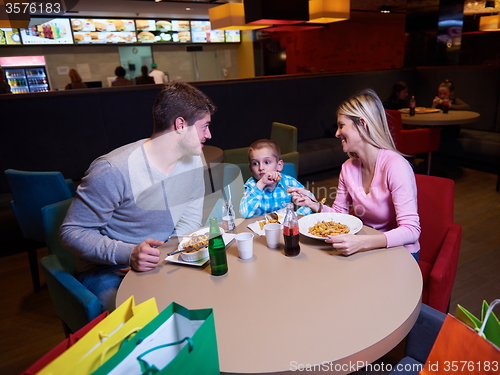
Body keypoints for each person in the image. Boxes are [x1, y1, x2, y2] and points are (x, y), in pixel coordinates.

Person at [60, 82, 216, 311]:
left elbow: (189, 220)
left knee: (207, 299)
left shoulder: (193, 159)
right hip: (109, 269)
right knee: (139, 320)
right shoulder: (113, 169)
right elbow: (71, 233)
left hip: (163, 259)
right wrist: (129, 254)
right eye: (204, 127)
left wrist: (162, 255)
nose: (209, 135)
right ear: (181, 125)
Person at [288, 89, 421, 261]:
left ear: (363, 124)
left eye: (341, 125)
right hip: (366, 248)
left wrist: (361, 243)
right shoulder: (348, 168)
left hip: (400, 253)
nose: (336, 133)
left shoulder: (396, 166)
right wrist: (313, 204)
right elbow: (339, 215)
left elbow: (411, 230)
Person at [240, 139, 313, 218]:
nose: (261, 168)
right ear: (250, 169)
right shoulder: (250, 186)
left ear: (279, 165)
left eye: (267, 162)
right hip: (259, 227)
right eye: (255, 163)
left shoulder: (289, 182)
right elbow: (244, 213)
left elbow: (311, 202)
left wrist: (294, 216)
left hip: (285, 226)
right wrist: (261, 183)